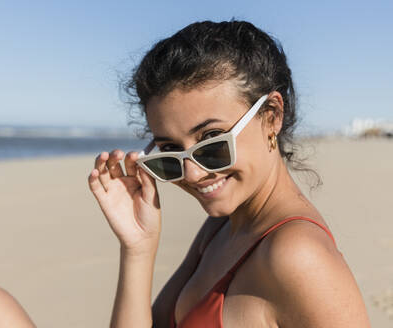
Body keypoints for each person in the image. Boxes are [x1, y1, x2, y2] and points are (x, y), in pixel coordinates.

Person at [88, 20, 371, 327]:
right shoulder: (220, 228)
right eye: (170, 151)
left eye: (212, 141)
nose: (193, 174)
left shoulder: (298, 256)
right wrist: (137, 248)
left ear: (272, 116)